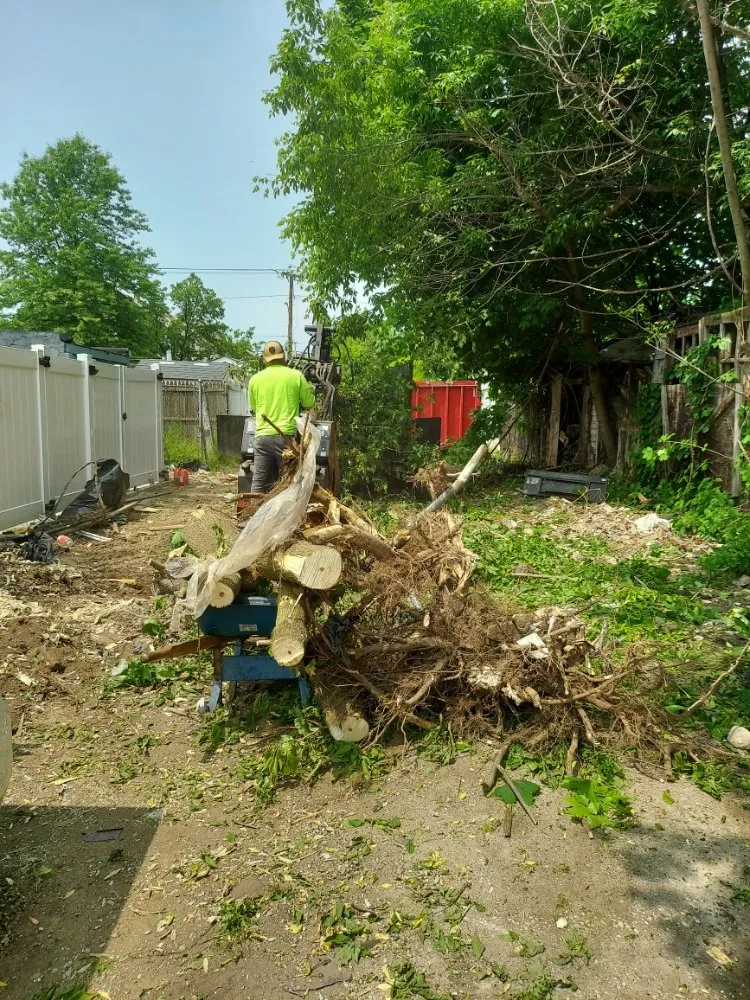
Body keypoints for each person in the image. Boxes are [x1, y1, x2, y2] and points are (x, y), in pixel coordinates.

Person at [248, 340, 316, 493]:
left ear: (265, 360)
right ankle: (284, 517)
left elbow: (254, 407)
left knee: (258, 482)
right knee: (286, 484)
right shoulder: (296, 376)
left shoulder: (255, 380)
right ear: (283, 356)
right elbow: (309, 403)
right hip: (286, 439)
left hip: (262, 437)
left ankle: (251, 516)